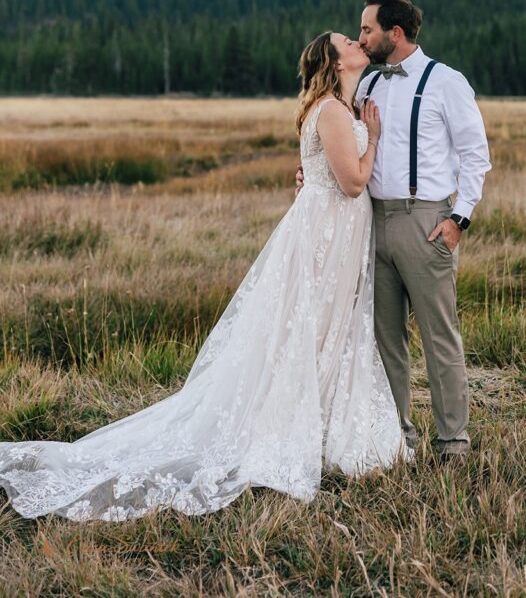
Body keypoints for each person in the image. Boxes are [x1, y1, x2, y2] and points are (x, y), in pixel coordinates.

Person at [0, 32, 403, 522]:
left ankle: (311, 419)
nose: (356, 40)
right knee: (310, 327)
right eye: (347, 41)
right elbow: (353, 181)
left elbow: (318, 171)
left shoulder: (337, 105)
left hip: (329, 231)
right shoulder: (337, 112)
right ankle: (288, 426)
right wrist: (374, 139)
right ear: (335, 62)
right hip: (326, 234)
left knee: (313, 328)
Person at [299, 0, 491, 461]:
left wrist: (457, 219)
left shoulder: (446, 82)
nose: (361, 38)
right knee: (384, 338)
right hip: (370, 223)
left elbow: (475, 154)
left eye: (367, 30)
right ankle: (397, 436)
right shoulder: (366, 86)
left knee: (439, 334)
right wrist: (309, 172)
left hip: (426, 220)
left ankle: (452, 441)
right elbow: (341, 143)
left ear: (395, 33)